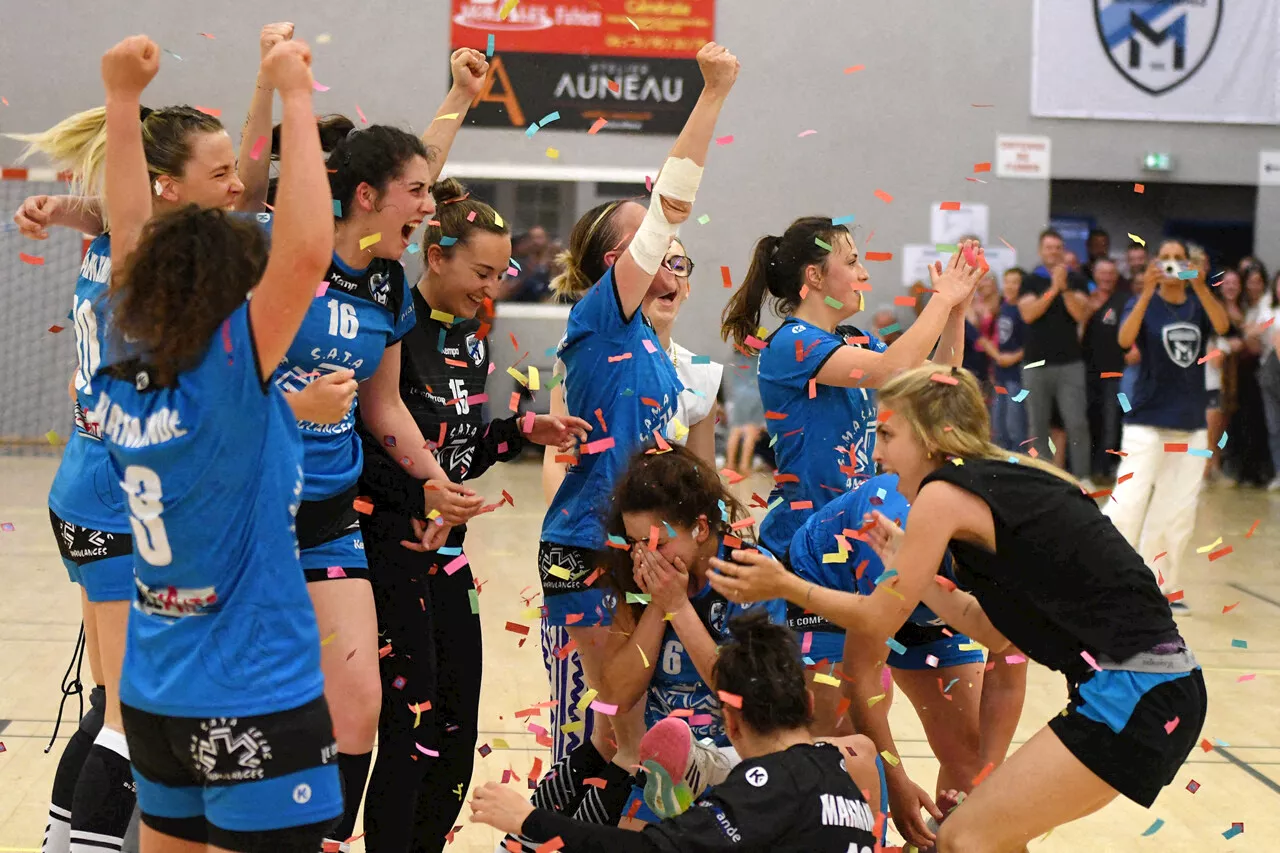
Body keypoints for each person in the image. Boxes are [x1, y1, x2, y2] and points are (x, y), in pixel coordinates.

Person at [707, 363, 1206, 853]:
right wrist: (912, 569)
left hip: (1138, 690)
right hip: (1156, 687)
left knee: (963, 838)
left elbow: (879, 617)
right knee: (986, 837)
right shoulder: (998, 485)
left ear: (929, 437)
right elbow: (991, 632)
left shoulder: (944, 492)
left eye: (886, 434)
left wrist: (785, 584)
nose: (877, 453)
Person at [9, 30, 297, 852]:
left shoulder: (128, 242)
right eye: (220, 176)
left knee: (113, 706)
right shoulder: (148, 261)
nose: (241, 185)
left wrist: (259, 88)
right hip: (119, 493)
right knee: (132, 720)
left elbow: (159, 194)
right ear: (169, 186)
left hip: (93, 485)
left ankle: (65, 836)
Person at [234, 45, 502, 853]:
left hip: (327, 513)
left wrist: (432, 478)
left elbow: (383, 404)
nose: (429, 209)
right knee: (250, 704)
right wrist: (289, 401)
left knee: (358, 709)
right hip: (250, 509)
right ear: (361, 197)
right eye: (416, 195)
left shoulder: (385, 280)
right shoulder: (275, 248)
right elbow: (210, 377)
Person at [95, 34, 345, 853]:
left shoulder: (121, 348)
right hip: (252, 692)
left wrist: (122, 102)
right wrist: (296, 98)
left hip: (157, 694)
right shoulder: (231, 361)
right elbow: (308, 249)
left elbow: (131, 230)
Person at [356, 176, 587, 853]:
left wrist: (520, 430)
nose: (491, 286)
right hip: (385, 548)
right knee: (412, 722)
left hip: (448, 551)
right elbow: (369, 439)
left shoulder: (471, 338)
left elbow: (459, 448)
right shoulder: (394, 329)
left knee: (458, 719)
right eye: (480, 271)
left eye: (500, 272)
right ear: (436, 257)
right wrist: (419, 496)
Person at [536, 42, 740, 767]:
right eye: (652, 251)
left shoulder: (658, 353)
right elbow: (671, 204)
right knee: (608, 722)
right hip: (586, 545)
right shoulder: (596, 321)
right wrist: (711, 94)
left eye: (677, 258)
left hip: (640, 544)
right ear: (611, 267)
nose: (667, 263)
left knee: (630, 729)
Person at [471, 610, 885, 853]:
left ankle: (712, 763)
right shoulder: (845, 770)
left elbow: (644, 852)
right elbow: (863, 745)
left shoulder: (762, 791)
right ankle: (713, 763)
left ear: (731, 723)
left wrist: (529, 819)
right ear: (809, 705)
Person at [784, 472, 1026, 842]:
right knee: (848, 747)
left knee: (973, 754)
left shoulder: (1021, 555)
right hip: (836, 581)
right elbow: (860, 676)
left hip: (935, 593)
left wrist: (985, 781)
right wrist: (896, 783)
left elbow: (1007, 668)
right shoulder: (897, 537)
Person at [720, 224, 981, 561]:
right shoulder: (791, 342)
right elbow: (892, 368)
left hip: (859, 528)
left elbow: (939, 384)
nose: (864, 273)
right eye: (853, 262)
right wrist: (942, 299)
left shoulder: (855, 339)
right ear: (814, 276)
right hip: (809, 537)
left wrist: (955, 313)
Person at [1104, 239, 1229, 607]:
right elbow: (1124, 339)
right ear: (1156, 263)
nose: (1174, 264)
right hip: (1147, 419)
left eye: (1180, 259)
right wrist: (1146, 292)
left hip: (1190, 422)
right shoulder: (1144, 299)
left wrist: (1203, 286)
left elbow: (1222, 326)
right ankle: (1105, 577)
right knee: (1128, 502)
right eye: (1168, 258)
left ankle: (1160, 587)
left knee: (1177, 511)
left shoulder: (1199, 302)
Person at [1017, 229, 1093, 482]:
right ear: (1041, 251)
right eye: (1049, 248)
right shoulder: (1029, 280)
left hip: (1070, 362)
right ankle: (1040, 477)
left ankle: (1082, 477)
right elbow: (1029, 314)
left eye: (1058, 247)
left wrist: (1064, 289)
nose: (1054, 252)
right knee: (1037, 425)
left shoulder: (1077, 280)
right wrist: (1052, 288)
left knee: (1077, 423)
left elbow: (1080, 314)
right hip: (1035, 363)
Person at [1081, 259, 1129, 481]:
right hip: (1088, 372)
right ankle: (1090, 466)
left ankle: (1107, 467)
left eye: (1111, 273)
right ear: (1095, 275)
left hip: (1116, 373)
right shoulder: (1086, 301)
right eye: (1103, 273)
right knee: (1092, 419)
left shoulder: (1124, 300)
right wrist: (1086, 313)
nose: (1107, 277)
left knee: (1112, 422)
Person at [1207, 269, 1246, 483]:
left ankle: (1218, 462)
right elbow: (1214, 341)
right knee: (1214, 422)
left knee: (1226, 422)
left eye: (1235, 283)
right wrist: (1228, 347)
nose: (1231, 287)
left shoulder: (1244, 309)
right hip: (1216, 371)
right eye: (1227, 283)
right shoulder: (1215, 308)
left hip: (1237, 375)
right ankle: (1210, 465)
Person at [986, 267, 1026, 450]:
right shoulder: (1003, 307)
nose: (1010, 286)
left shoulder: (1024, 309)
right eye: (1007, 281)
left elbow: (1031, 342)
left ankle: (1018, 463)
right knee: (998, 424)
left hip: (1017, 376)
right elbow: (997, 339)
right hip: (1001, 375)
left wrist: (1014, 357)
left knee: (1015, 425)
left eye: (1015, 282)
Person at [722, 344, 766, 477]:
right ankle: (744, 466)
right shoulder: (760, 357)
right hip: (755, 394)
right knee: (751, 431)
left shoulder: (735, 356)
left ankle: (730, 464)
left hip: (738, 395)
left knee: (735, 430)